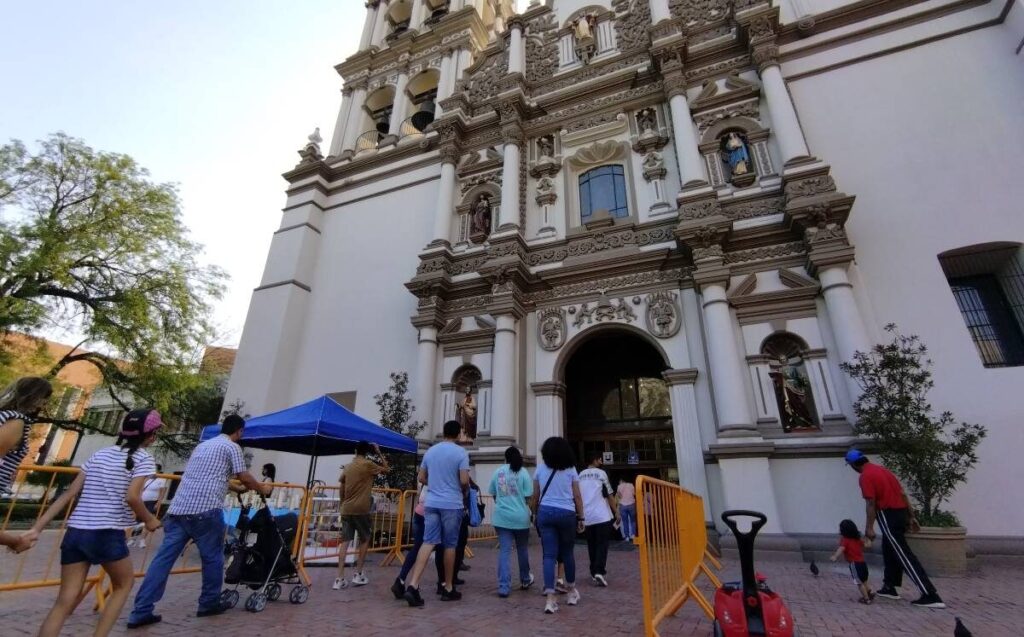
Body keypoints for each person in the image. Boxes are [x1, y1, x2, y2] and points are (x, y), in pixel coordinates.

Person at [21, 409, 163, 637]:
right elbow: (133, 497)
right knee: (123, 585)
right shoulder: (143, 458)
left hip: (76, 531)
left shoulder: (100, 454)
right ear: (151, 435)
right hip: (107, 532)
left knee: (64, 601)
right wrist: (149, 519)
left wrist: (37, 527)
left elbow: (68, 495)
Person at [127, 415, 270, 629]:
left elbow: (206, 476)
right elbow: (244, 476)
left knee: (163, 560)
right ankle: (208, 602)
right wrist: (262, 488)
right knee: (213, 558)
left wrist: (233, 487)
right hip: (206, 510)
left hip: (179, 509)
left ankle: (141, 610)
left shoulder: (203, 446)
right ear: (239, 431)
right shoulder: (232, 447)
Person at [845, 449, 944, 608]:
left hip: (887, 514)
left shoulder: (865, 476)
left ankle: (930, 594)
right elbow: (903, 494)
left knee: (903, 554)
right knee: (889, 547)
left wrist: (869, 528)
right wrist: (911, 516)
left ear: (853, 465)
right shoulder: (884, 471)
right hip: (901, 512)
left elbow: (871, 503)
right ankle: (889, 587)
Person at [402, 420, 470, 607]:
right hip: (451, 503)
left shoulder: (431, 451)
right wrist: (457, 487)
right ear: (458, 434)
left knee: (428, 541)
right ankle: (448, 587)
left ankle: (413, 585)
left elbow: (422, 477)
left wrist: (436, 485)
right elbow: (464, 480)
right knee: (450, 544)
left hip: (431, 502)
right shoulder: (461, 453)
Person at [532, 436, 585, 614]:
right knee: (567, 553)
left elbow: (535, 495)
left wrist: (534, 513)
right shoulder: (571, 469)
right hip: (566, 513)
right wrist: (581, 517)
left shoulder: (540, 469)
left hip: (545, 512)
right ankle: (571, 592)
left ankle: (550, 598)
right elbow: (577, 496)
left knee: (548, 555)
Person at [334, 441, 390, 590]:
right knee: (365, 539)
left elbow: (342, 487)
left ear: (355, 450)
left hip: (346, 508)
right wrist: (378, 452)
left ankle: (339, 577)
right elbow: (387, 469)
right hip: (362, 508)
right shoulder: (368, 465)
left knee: (345, 541)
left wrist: (342, 503)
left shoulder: (348, 466)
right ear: (367, 452)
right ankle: (358, 573)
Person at [489, 446, 534, 597]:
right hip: (521, 517)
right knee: (522, 549)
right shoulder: (523, 472)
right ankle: (525, 578)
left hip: (502, 517)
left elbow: (494, 495)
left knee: (504, 551)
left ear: (505, 457)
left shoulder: (498, 472)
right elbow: (528, 497)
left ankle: (503, 586)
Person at [0, 377, 54, 495]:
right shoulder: (16, 421)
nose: (44, 404)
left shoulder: (5, 416)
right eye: (44, 398)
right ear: (33, 396)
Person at [579, 452, 618, 587]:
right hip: (602, 515)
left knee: (592, 545)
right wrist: (617, 512)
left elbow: (577, 496)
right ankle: (599, 571)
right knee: (602, 544)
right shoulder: (601, 474)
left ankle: (593, 571)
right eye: (599, 459)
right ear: (595, 460)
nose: (601, 461)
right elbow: (609, 494)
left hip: (587, 516)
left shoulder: (580, 475)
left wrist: (580, 516)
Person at [391, 486, 428, 600]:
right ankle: (442, 584)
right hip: (432, 510)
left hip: (419, 510)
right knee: (435, 546)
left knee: (417, 547)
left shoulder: (425, 470)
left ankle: (400, 579)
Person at [831, 519, 875, 605]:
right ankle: (869, 592)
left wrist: (835, 556)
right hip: (863, 563)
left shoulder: (845, 540)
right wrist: (869, 539)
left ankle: (866, 599)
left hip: (854, 564)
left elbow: (841, 548)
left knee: (859, 582)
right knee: (864, 580)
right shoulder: (857, 540)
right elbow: (868, 545)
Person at [128, 464, 168, 549]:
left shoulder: (162, 479)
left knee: (147, 520)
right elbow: (140, 489)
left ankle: (142, 540)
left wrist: (158, 503)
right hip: (141, 501)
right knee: (136, 521)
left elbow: (162, 493)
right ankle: (132, 538)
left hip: (152, 501)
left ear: (158, 470)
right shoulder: (146, 478)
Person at [616, 476, 637, 542]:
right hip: (631, 505)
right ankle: (633, 535)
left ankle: (627, 537)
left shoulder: (619, 486)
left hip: (623, 505)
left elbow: (619, 496)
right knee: (633, 521)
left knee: (625, 522)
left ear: (622, 480)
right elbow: (634, 494)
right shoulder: (631, 485)